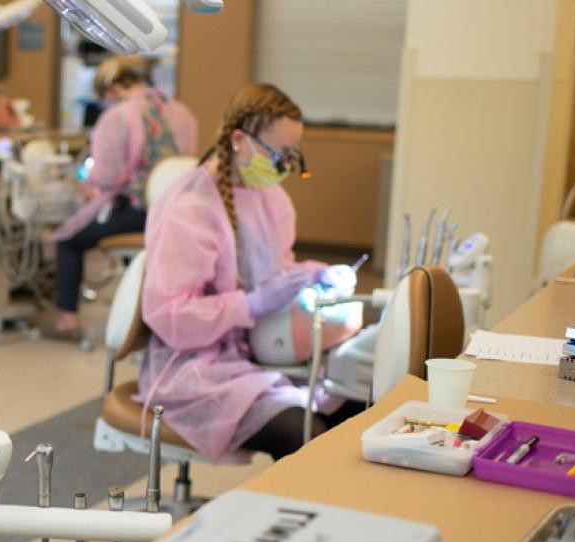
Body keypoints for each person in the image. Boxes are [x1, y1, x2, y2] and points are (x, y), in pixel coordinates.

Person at [135, 83, 361, 462]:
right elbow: (169, 314)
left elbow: (273, 268)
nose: (285, 166)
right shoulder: (188, 207)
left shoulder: (269, 197)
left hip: (254, 351)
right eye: (279, 154)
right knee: (305, 435)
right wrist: (251, 304)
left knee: (352, 408)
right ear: (239, 140)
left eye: (293, 154)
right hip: (194, 367)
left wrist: (313, 274)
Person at [39, 55, 198, 341]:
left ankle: (67, 320)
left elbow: (106, 177)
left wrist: (83, 183)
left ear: (112, 89)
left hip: (138, 212)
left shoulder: (118, 117)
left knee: (68, 240)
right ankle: (141, 313)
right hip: (176, 213)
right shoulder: (182, 112)